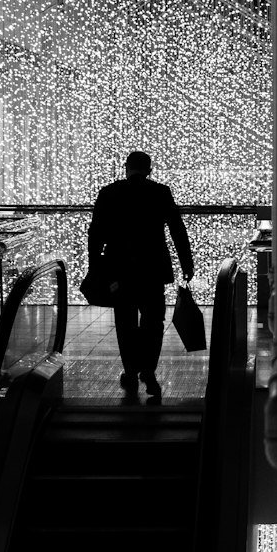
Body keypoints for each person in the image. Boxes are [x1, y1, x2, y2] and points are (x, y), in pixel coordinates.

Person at [88, 150, 194, 402]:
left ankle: (131, 371)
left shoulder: (109, 193)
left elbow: (96, 233)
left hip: (119, 269)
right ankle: (148, 370)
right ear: (149, 169)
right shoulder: (160, 192)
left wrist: (96, 267)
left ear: (126, 168)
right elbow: (177, 229)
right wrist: (186, 263)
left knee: (125, 321)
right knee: (153, 321)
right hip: (152, 269)